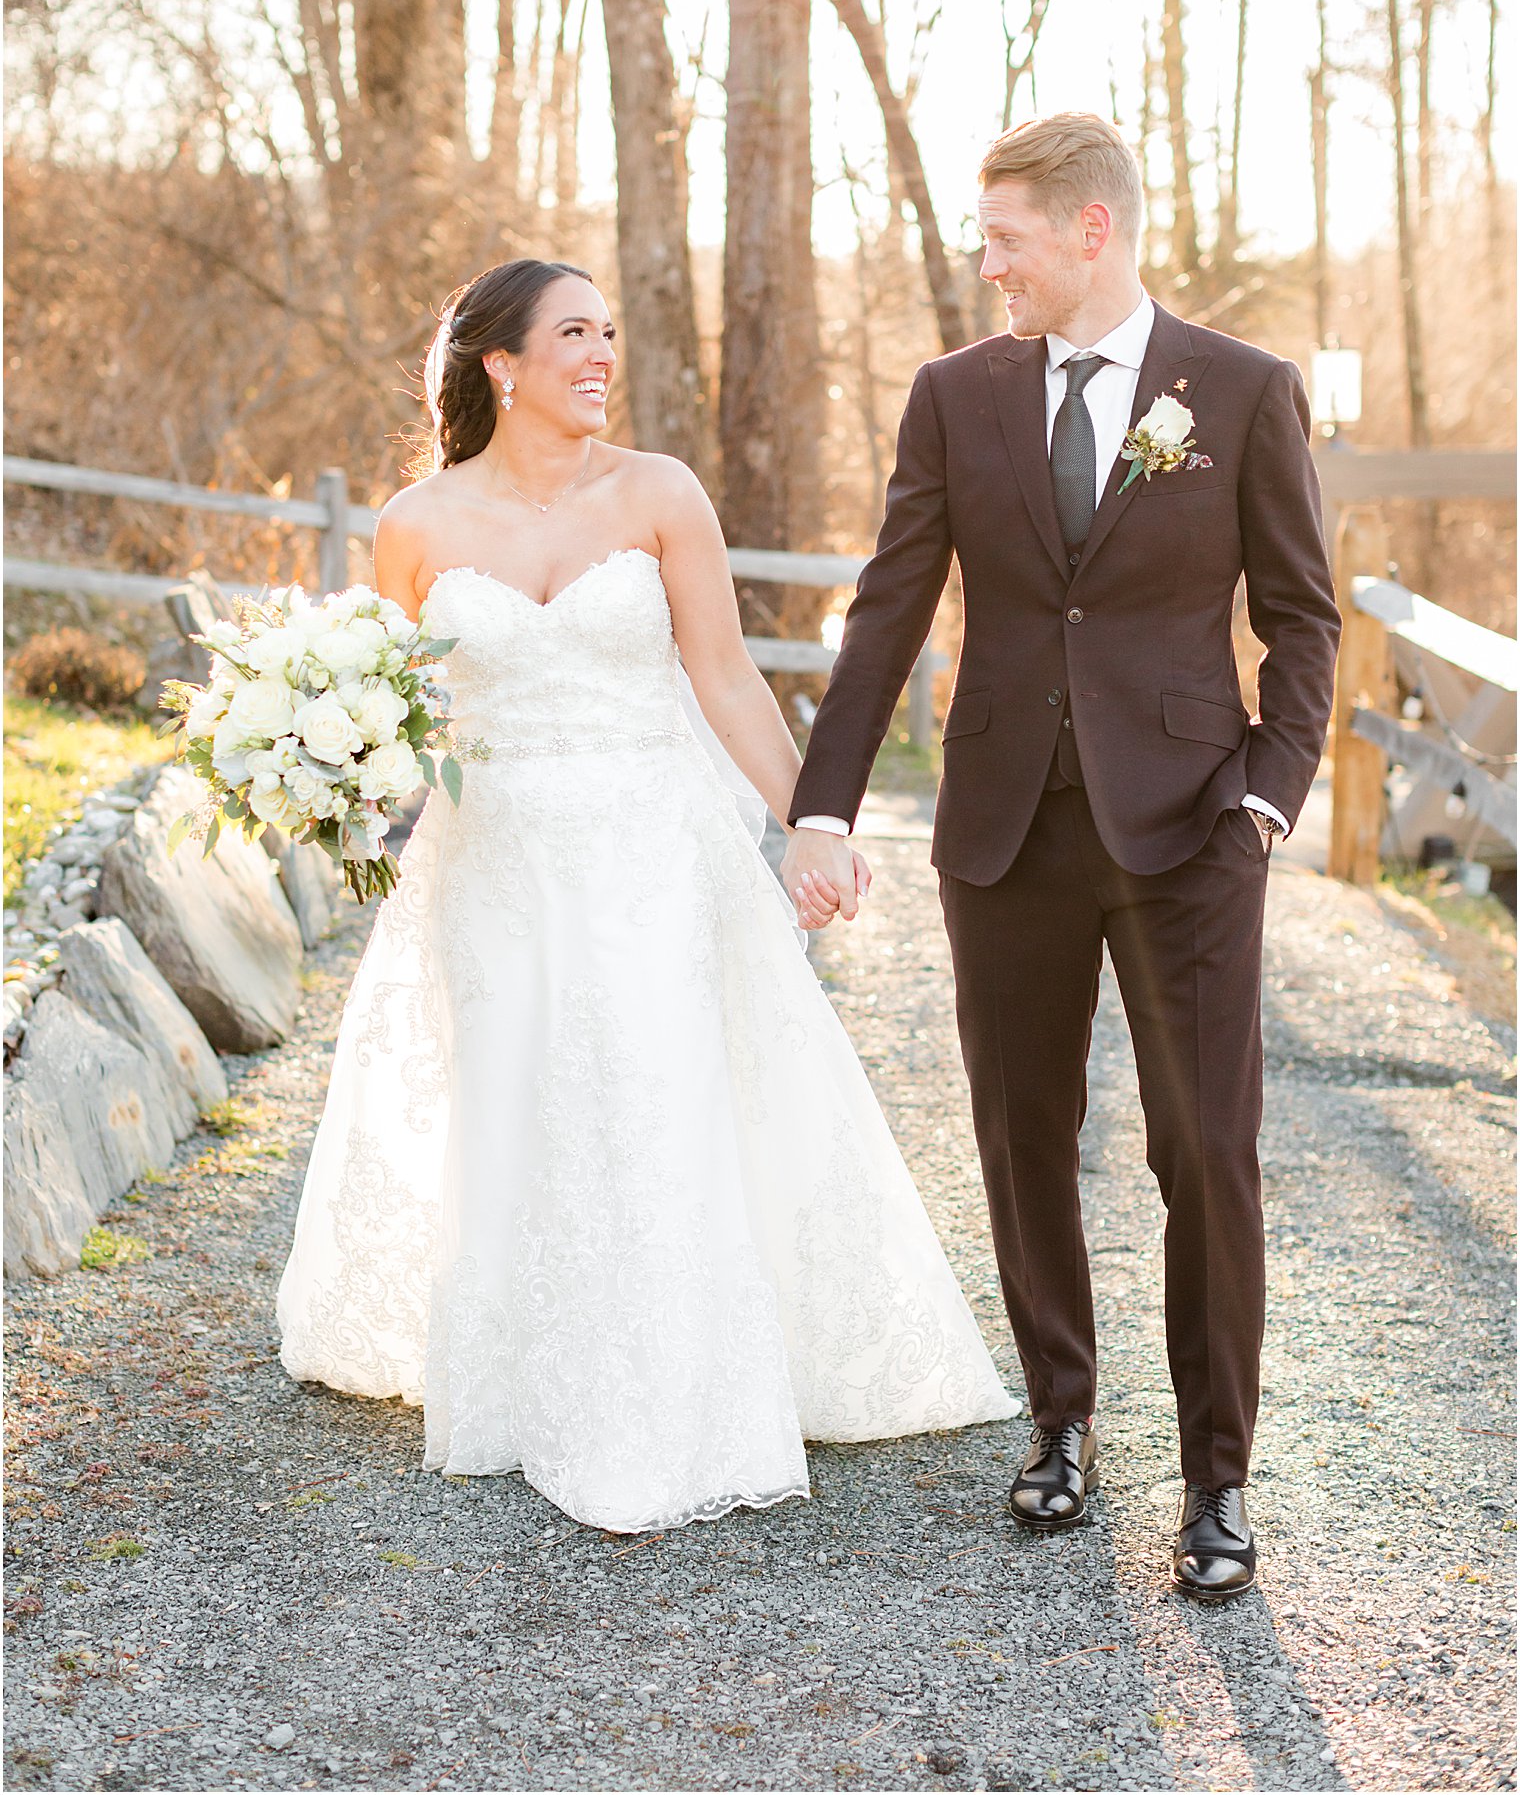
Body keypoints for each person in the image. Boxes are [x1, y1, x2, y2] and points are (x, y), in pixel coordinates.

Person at [276, 256, 1015, 1535]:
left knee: (653, 1087)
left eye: (607, 332)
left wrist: (813, 823)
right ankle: (522, 1382)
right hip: (494, 860)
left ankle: (682, 1387)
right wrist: (317, 761)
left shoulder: (661, 494)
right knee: (521, 1097)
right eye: (573, 333)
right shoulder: (416, 525)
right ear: (501, 364)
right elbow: (380, 703)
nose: (600, 352)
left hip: (650, 847)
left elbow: (725, 680)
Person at [782, 114, 1340, 1600]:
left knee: (1205, 1152)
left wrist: (1267, 797)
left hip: (1194, 836)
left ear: (1093, 229)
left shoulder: (1240, 389)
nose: (988, 267)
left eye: (1007, 239)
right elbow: (889, 608)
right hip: (1004, 827)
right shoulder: (953, 399)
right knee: (1023, 1136)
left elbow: (1304, 618)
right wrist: (823, 805)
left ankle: (1218, 1482)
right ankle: (1063, 1422)